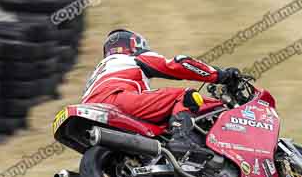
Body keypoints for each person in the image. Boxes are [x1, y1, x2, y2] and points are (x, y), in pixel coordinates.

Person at [82, 29, 240, 154]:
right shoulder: (132, 57)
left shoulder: (98, 71)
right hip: (118, 100)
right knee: (185, 96)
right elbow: (179, 65)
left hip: (89, 112)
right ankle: (181, 140)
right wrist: (221, 75)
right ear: (133, 44)